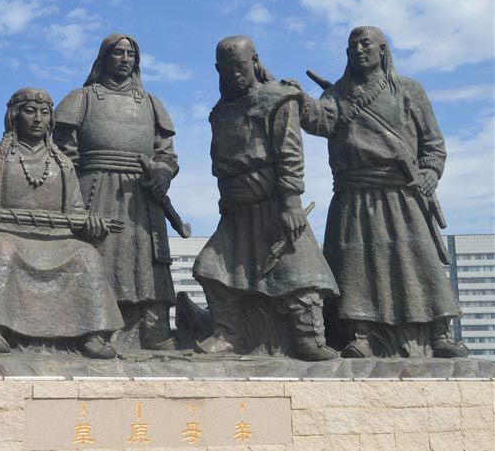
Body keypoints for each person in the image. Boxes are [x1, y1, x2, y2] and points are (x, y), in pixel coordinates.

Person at [297, 26, 466, 358]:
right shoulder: (336, 94)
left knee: (418, 261)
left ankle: (438, 333)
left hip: (402, 193)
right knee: (355, 265)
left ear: (383, 50)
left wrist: (430, 172)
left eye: (366, 44)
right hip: (354, 193)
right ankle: (360, 334)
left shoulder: (409, 89)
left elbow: (433, 145)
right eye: (352, 45)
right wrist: (296, 96)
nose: (359, 50)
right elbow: (320, 122)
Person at [192, 36, 338, 360]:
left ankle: (309, 338)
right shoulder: (220, 112)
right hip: (237, 211)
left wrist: (291, 203)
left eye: (240, 66)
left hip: (274, 205)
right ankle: (228, 334)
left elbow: (289, 152)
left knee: (298, 275)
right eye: (226, 69)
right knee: (211, 268)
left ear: (255, 61)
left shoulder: (277, 98)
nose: (234, 74)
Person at [0, 88, 123, 359]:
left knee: (87, 255)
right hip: (3, 235)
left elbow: (76, 219)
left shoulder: (63, 164)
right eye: (30, 111)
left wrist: (93, 230)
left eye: (44, 113)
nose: (38, 119)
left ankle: (91, 333)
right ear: (14, 116)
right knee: (0, 249)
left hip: (57, 241)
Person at [54, 34, 177, 350]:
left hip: (143, 194)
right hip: (94, 189)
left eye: (131, 54)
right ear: (104, 57)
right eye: (118, 53)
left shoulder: (151, 103)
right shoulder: (82, 98)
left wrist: (162, 174)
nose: (125, 59)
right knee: (100, 255)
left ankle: (154, 330)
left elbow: (166, 153)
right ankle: (94, 328)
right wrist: (73, 196)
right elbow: (63, 153)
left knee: (149, 259)